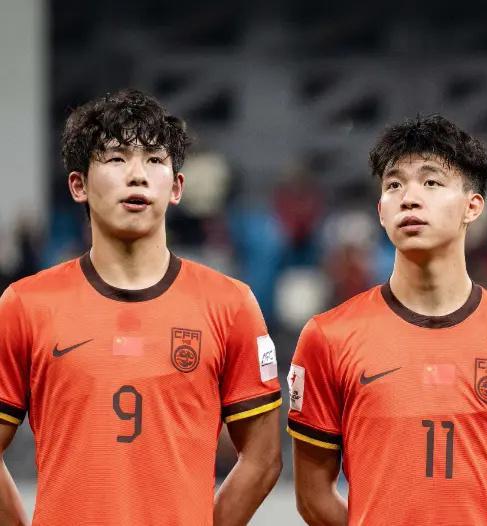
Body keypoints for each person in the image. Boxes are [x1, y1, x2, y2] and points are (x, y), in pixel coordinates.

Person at [0, 89, 282, 525]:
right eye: (116, 158)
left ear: (177, 187)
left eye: (154, 160)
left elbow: (263, 458)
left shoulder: (231, 305)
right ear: (78, 185)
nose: (137, 175)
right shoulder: (25, 305)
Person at [287, 115, 487, 525]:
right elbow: (313, 495)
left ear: (473, 206)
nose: (408, 198)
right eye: (394, 185)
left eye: (431, 182)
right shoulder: (327, 337)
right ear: (380, 211)